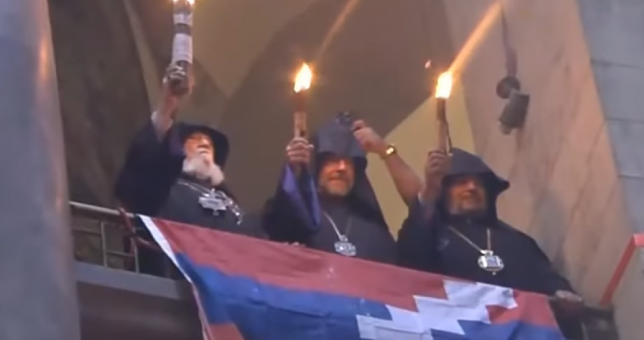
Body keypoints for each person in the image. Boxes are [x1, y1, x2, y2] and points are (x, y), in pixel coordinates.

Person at [115, 64, 260, 277]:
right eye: (195, 139)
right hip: (174, 281)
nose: (204, 143)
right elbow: (139, 177)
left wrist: (295, 171)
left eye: (209, 143)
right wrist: (167, 107)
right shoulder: (163, 184)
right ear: (176, 149)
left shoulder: (231, 201)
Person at [396, 148, 583, 306]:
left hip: (525, 332)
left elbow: (545, 276)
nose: (472, 187)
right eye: (461, 182)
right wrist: (429, 191)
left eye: (479, 183)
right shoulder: (432, 236)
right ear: (444, 193)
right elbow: (411, 256)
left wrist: (561, 291)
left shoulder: (517, 240)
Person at [261, 113, 422, 264]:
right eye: (333, 159)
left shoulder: (373, 227)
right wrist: (293, 167)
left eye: (349, 162)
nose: (342, 167)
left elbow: (423, 204)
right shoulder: (297, 217)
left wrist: (384, 149)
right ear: (318, 165)